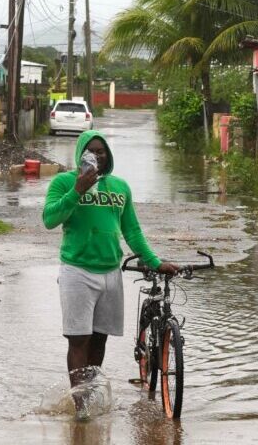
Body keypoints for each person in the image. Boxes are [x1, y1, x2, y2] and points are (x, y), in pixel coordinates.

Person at [42, 130, 178, 395]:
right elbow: (49, 219)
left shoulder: (120, 187)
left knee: (99, 340)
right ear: (81, 153)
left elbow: (132, 231)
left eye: (101, 151)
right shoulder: (63, 182)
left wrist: (154, 261)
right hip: (77, 272)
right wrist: (77, 190)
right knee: (79, 340)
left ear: (108, 155)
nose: (95, 156)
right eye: (90, 151)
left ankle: (90, 394)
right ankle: (81, 408)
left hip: (111, 273)